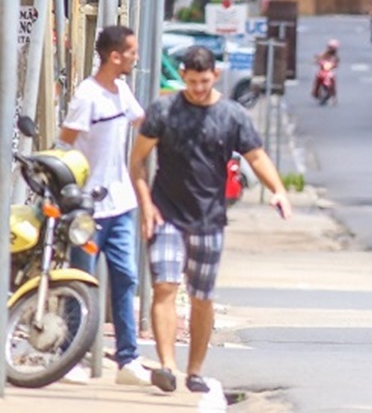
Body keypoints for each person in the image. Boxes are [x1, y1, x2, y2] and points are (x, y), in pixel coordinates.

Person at [129, 45, 293, 394]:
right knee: (165, 287)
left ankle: (195, 371)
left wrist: (278, 189)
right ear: (183, 77)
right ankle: (168, 366)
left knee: (201, 297)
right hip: (166, 213)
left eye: (204, 82)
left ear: (215, 75)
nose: (198, 89)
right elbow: (137, 160)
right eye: (191, 82)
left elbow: (256, 156)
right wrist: (146, 205)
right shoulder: (164, 110)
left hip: (209, 219)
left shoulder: (231, 115)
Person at [57, 25, 152, 387]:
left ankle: (128, 359)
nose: (135, 58)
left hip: (121, 203)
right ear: (115, 56)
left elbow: (145, 123)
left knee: (126, 277)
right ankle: (68, 355)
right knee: (81, 281)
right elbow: (65, 143)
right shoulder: (87, 96)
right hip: (87, 207)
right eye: (131, 52)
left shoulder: (122, 91)